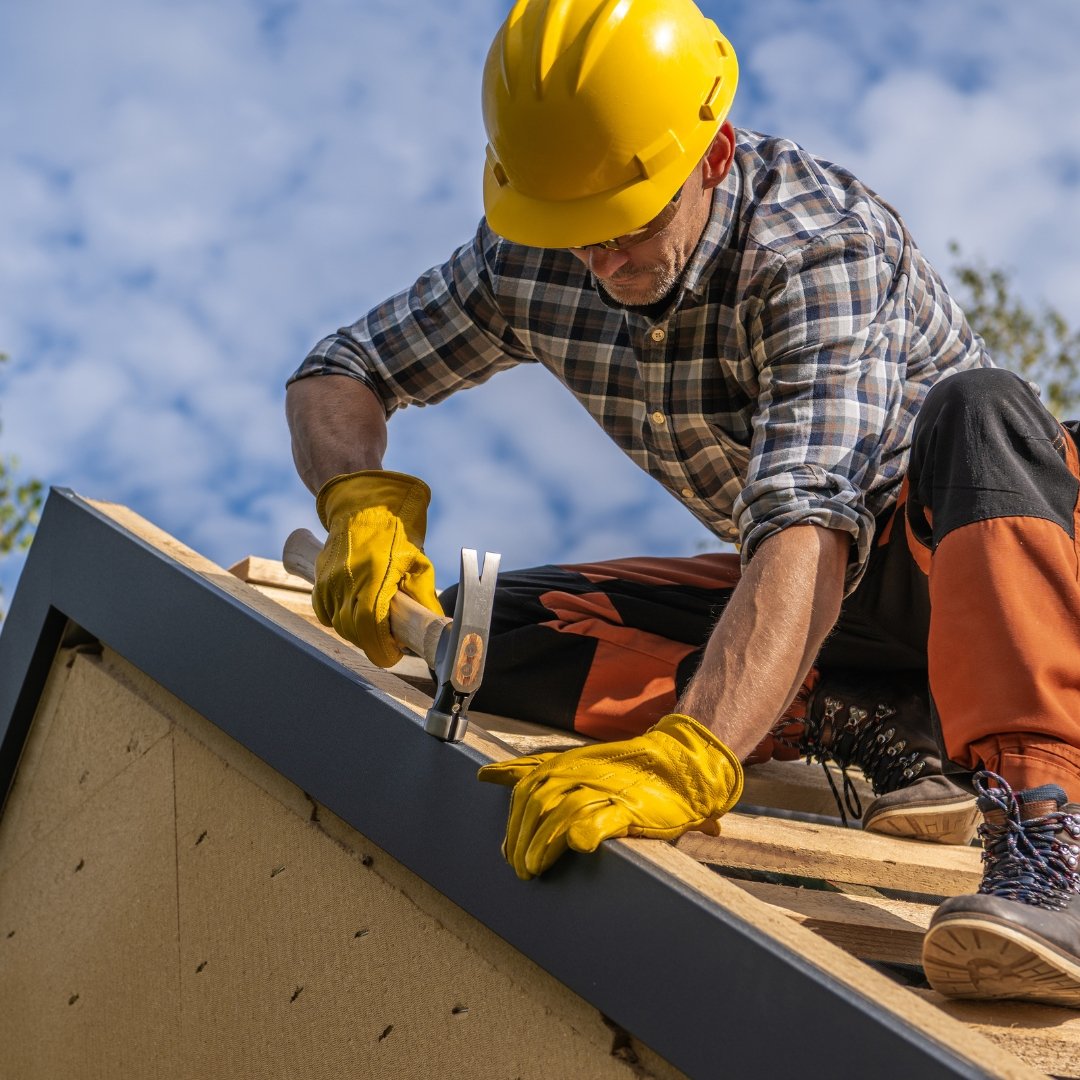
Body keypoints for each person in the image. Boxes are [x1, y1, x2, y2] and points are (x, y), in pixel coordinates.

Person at [286, 0, 1080, 1008]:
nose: (601, 261)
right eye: (572, 231)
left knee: (984, 411)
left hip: (995, 573)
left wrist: (694, 755)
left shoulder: (814, 249)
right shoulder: (534, 253)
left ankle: (1050, 839)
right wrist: (358, 501)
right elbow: (340, 371)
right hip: (839, 611)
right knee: (493, 632)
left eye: (628, 224)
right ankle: (879, 723)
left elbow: (806, 522)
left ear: (712, 156)